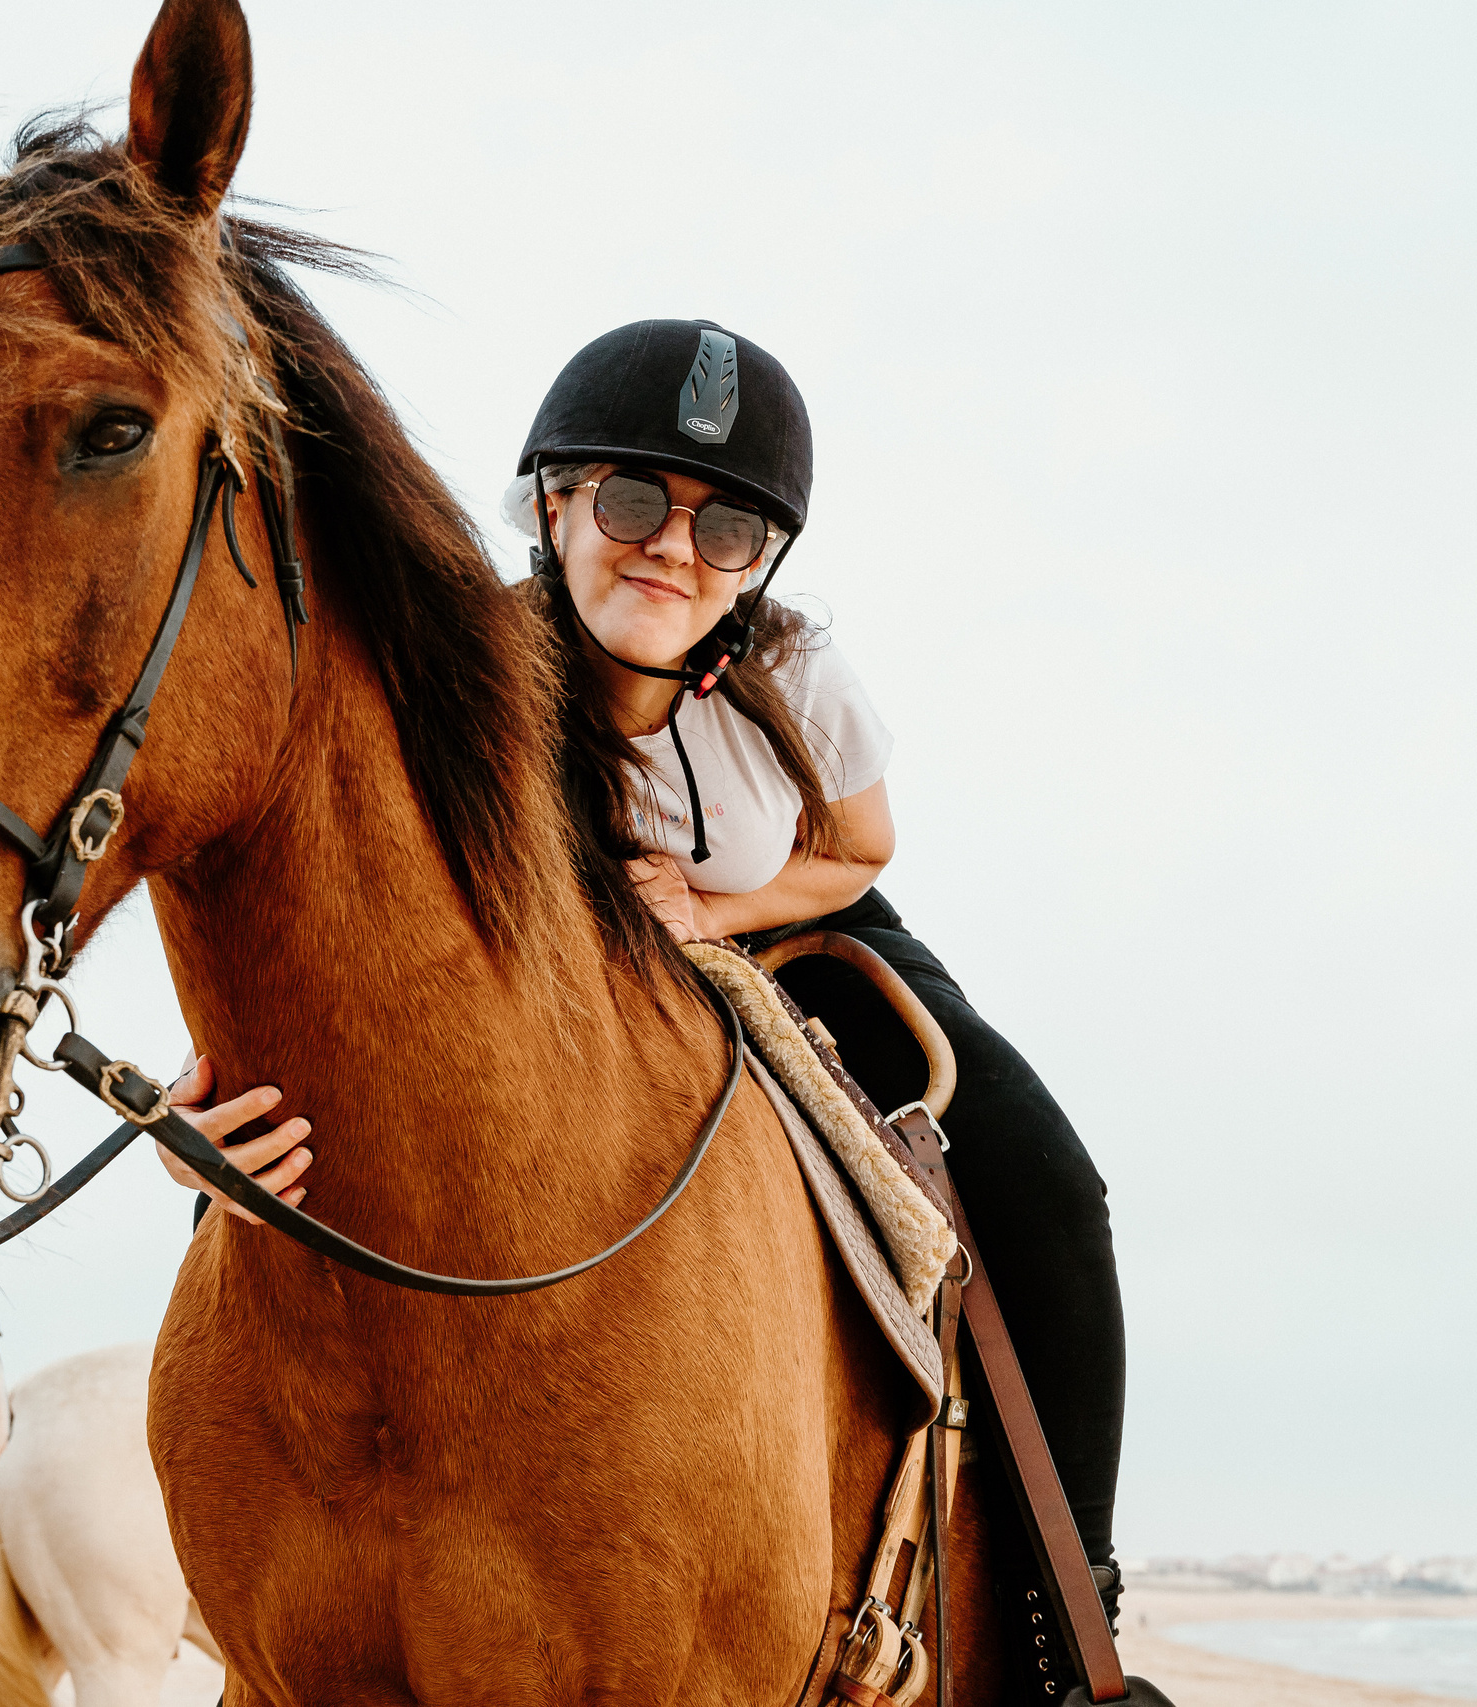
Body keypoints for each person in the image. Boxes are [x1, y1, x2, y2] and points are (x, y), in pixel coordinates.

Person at [156, 321, 1129, 1636]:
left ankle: (1069, 1620)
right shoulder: (451, 679)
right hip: (534, 968)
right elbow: (350, 931)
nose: (674, 546)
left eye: (726, 525)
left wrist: (719, 908)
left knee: (1052, 1189)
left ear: (761, 557)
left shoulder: (797, 673)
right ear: (553, 502)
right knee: (269, 1192)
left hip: (788, 927)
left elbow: (858, 847)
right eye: (630, 499)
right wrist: (191, 1118)